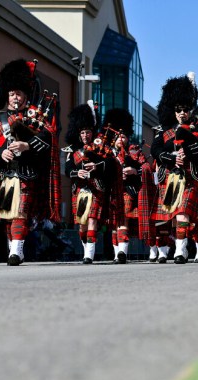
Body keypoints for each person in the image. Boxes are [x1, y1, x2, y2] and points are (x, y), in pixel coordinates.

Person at [0, 59, 59, 265]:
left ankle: (15, 250)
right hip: (3, 173)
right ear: (6, 94)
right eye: (11, 93)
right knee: (5, 215)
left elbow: (49, 137)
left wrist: (26, 146)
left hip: (26, 172)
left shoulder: (36, 117)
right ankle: (16, 251)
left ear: (26, 94)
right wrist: (0, 152)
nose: (14, 97)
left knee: (21, 211)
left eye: (18, 93)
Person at [151, 73, 198, 264]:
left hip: (193, 177)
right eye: (179, 110)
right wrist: (173, 157)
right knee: (178, 216)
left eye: (186, 109)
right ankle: (180, 251)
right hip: (172, 177)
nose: (182, 113)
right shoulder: (165, 134)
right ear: (173, 112)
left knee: (194, 217)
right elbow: (156, 150)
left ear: (190, 111)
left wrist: (190, 152)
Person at [64, 101, 121, 264]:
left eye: (87, 132)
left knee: (92, 219)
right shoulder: (73, 150)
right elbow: (67, 169)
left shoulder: (101, 147)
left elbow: (111, 164)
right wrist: (77, 172)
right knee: (81, 225)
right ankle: (86, 245)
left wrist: (96, 166)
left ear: (92, 132)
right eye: (82, 132)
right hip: (79, 189)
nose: (85, 136)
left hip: (96, 188)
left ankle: (89, 254)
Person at [106, 108, 156, 264]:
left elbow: (146, 167)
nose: (121, 139)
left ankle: (122, 252)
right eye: (118, 136)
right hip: (109, 191)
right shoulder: (105, 152)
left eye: (124, 136)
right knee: (115, 223)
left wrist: (135, 170)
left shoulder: (135, 151)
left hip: (127, 191)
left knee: (123, 219)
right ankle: (117, 254)